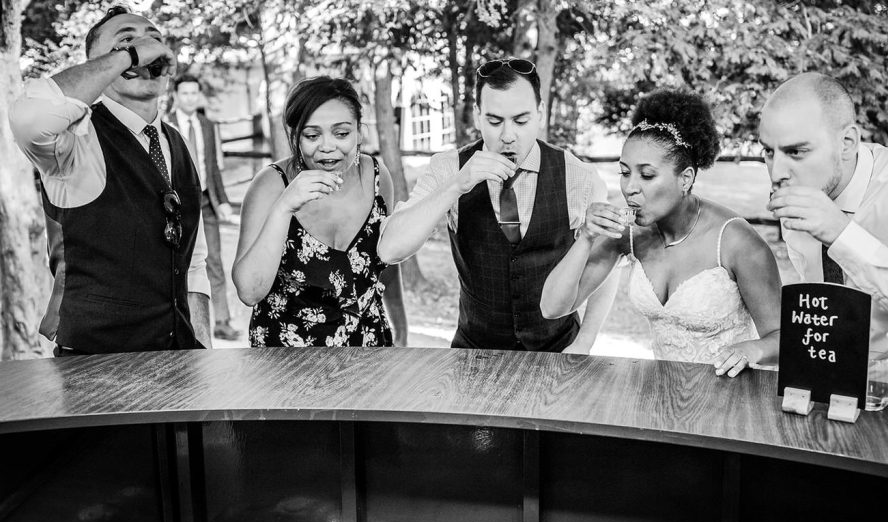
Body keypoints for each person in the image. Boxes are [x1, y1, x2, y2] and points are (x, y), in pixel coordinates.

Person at [378, 58, 618, 354]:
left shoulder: (578, 175)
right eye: (494, 121)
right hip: (473, 354)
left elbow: (606, 262)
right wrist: (457, 185)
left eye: (521, 120)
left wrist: (585, 342)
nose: (507, 135)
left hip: (559, 352)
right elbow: (390, 250)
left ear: (540, 113)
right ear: (477, 116)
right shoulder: (449, 168)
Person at [10, 5, 211, 354]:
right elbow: (30, 115)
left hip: (179, 358)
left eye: (154, 41)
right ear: (97, 65)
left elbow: (193, 260)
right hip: (95, 364)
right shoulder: (73, 139)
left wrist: (202, 346)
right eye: (125, 42)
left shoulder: (177, 142)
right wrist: (128, 57)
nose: (146, 49)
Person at [540, 89, 781, 375]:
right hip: (660, 395)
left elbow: (784, 339)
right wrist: (587, 238)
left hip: (727, 399)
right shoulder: (629, 233)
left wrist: (752, 349)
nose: (630, 187)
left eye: (647, 175)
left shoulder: (735, 241)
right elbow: (552, 308)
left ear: (686, 178)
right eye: (624, 172)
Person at [760, 72, 888, 381]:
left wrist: (843, 235)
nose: (777, 172)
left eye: (796, 152)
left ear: (847, 143)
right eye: (768, 151)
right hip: (832, 389)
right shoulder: (805, 194)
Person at [233, 76, 407, 347]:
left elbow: (384, 265)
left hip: (367, 351)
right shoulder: (270, 185)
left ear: (360, 131)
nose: (327, 146)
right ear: (296, 137)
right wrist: (283, 207)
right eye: (312, 136)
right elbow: (249, 292)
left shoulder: (376, 177)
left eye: (342, 133)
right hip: (287, 359)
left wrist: (401, 329)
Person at [171, 75, 241, 341]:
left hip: (206, 201)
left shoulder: (208, 125)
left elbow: (213, 166)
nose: (189, 98)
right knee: (184, 263)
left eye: (193, 93)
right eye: (184, 93)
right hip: (178, 203)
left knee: (214, 261)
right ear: (176, 96)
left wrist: (222, 200)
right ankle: (187, 323)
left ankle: (222, 321)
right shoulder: (166, 125)